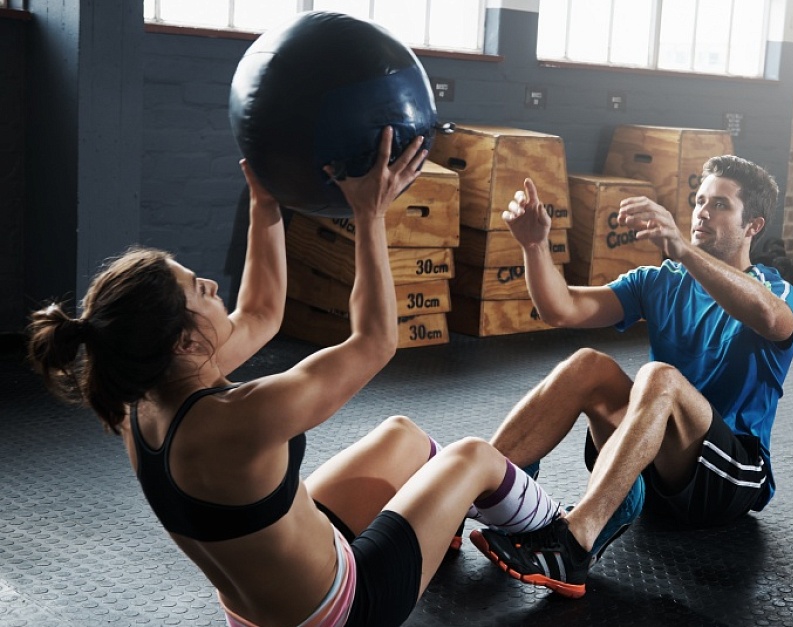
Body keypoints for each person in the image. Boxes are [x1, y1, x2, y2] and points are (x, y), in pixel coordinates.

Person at [26, 128, 564, 627]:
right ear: (184, 342)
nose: (211, 285)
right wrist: (370, 215)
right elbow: (374, 342)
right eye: (197, 289)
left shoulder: (142, 397)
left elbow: (261, 313)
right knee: (473, 456)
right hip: (345, 610)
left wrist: (266, 205)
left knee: (401, 435)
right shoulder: (243, 417)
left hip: (267, 605)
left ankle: (448, 522)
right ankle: (561, 538)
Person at [469, 155, 793, 598]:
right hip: (651, 467)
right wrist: (534, 247)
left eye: (721, 205)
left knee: (660, 377)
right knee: (588, 364)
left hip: (727, 481)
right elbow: (561, 309)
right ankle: (483, 488)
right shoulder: (661, 281)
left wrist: (682, 249)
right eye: (700, 201)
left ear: (753, 227)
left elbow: (770, 318)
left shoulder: (776, 291)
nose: (703, 212)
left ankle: (573, 545)